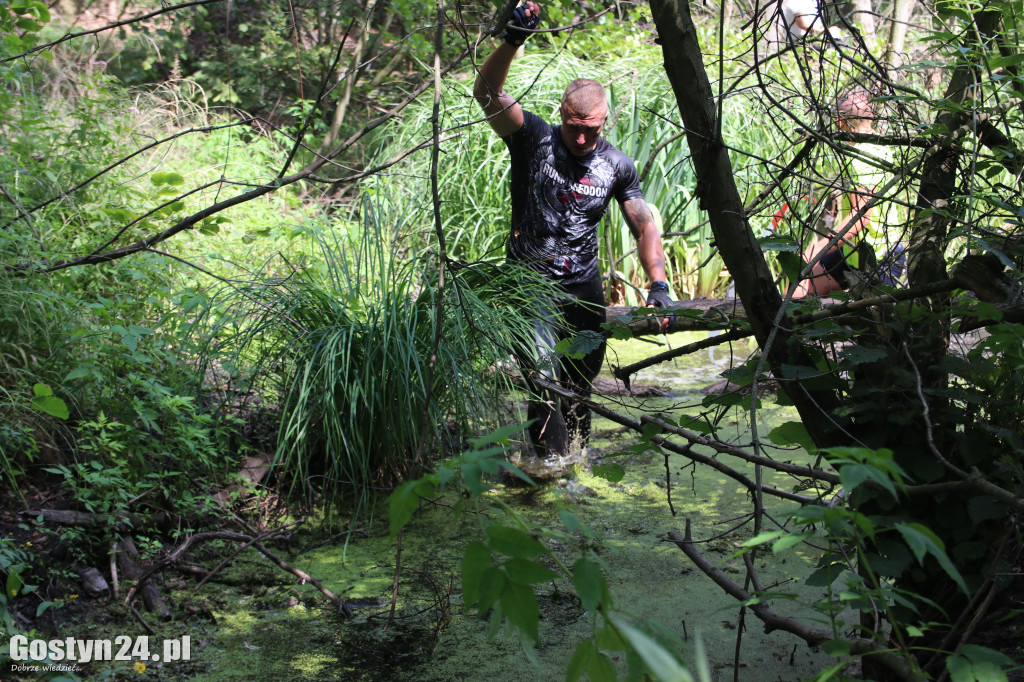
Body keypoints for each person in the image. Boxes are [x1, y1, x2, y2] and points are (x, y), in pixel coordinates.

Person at [472, 1, 674, 462]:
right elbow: (485, 93)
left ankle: (577, 468)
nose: (580, 138)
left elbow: (644, 224)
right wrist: (512, 40)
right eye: (573, 126)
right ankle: (551, 475)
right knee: (542, 380)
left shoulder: (617, 165)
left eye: (590, 129)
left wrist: (659, 285)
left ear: (606, 120)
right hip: (529, 285)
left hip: (583, 290)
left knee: (578, 389)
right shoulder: (532, 137)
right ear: (560, 114)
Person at [794, 90, 904, 296]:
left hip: (878, 257)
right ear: (870, 117)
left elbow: (861, 216)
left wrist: (820, 248)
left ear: (839, 120)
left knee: (873, 323)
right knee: (801, 289)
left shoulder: (862, 156)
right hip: (852, 252)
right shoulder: (879, 145)